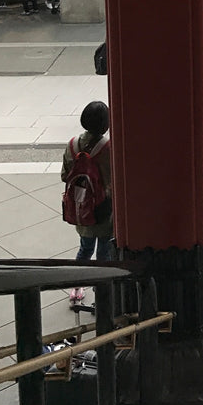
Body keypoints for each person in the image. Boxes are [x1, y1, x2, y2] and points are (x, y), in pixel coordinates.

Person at [61, 101, 112, 304]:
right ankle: (102, 292)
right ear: (105, 124)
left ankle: (76, 287)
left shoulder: (72, 144)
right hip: (103, 211)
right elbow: (111, 182)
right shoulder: (107, 147)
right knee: (104, 253)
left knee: (84, 249)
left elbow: (65, 175)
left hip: (81, 208)